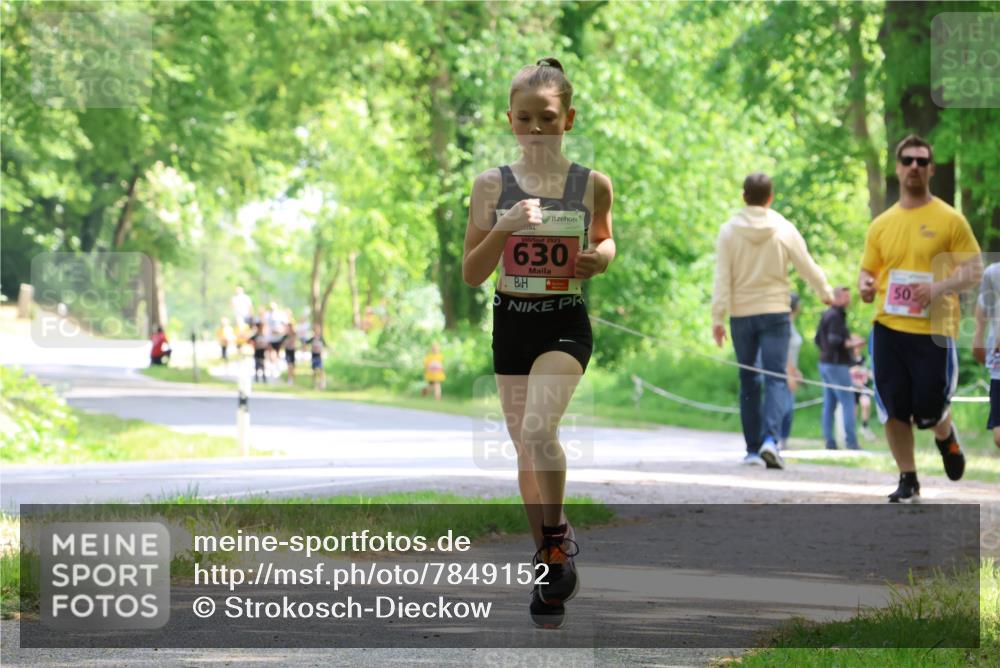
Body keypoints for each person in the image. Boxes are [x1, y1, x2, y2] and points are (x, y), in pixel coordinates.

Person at [462, 57, 614, 629]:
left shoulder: (591, 185)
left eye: (546, 118)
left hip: (563, 323)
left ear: (567, 119)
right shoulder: (491, 186)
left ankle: (555, 540)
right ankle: (548, 562)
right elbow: (473, 274)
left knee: (537, 430)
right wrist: (504, 226)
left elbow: (605, 242)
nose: (535, 129)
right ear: (510, 121)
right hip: (512, 324)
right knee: (526, 450)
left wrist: (598, 260)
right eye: (524, 119)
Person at [858, 134, 983, 503]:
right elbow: (868, 274)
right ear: (897, 169)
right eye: (907, 160)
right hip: (888, 327)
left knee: (929, 406)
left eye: (921, 161)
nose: (914, 166)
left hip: (934, 330)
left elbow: (974, 269)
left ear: (930, 169)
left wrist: (940, 287)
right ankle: (908, 478)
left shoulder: (950, 219)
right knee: (894, 407)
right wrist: (865, 286)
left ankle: (945, 434)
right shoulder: (881, 224)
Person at [712, 173, 834, 470]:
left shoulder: (729, 231)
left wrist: (718, 316)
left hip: (742, 314)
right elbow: (807, 265)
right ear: (770, 197)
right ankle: (771, 440)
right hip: (776, 313)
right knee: (776, 377)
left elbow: (722, 277)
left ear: (744, 196)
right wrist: (825, 292)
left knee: (748, 378)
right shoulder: (783, 228)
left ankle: (753, 449)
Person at [814, 286, 862, 451]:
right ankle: (851, 442)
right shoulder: (835, 316)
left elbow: (817, 340)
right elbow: (835, 341)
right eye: (845, 296)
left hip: (825, 363)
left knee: (829, 403)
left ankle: (829, 441)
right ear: (837, 297)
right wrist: (853, 343)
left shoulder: (827, 314)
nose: (848, 300)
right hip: (836, 365)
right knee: (848, 401)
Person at [973, 261, 1000, 449]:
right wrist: (978, 337)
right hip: (998, 362)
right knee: (998, 436)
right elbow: (983, 305)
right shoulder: (993, 272)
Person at [778, 293, 803, 450]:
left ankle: (783, 439)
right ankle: (778, 439)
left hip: (791, 370)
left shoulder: (791, 324)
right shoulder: (785, 325)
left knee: (788, 407)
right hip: (784, 372)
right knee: (784, 407)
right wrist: (790, 374)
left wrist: (796, 370)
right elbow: (783, 351)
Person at [848, 335, 877, 442]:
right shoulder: (848, 358)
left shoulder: (863, 358)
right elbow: (847, 373)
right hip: (852, 388)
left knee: (866, 403)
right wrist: (856, 370)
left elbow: (866, 372)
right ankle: (851, 430)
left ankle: (864, 426)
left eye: (859, 346)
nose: (857, 349)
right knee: (853, 411)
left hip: (863, 387)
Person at [304, 325, 326, 390]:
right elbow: (306, 342)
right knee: (314, 370)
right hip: (314, 355)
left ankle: (322, 383)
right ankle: (315, 384)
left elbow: (325, 345)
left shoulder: (321, 338)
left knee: (320, 369)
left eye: (318, 330)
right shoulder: (313, 338)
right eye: (316, 330)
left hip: (319, 356)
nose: (317, 332)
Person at [283, 320, 298, 386]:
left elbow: (293, 342)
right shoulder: (286, 335)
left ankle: (292, 378)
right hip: (287, 350)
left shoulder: (294, 334)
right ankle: (290, 378)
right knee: (289, 365)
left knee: (292, 365)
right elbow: (283, 343)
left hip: (292, 350)